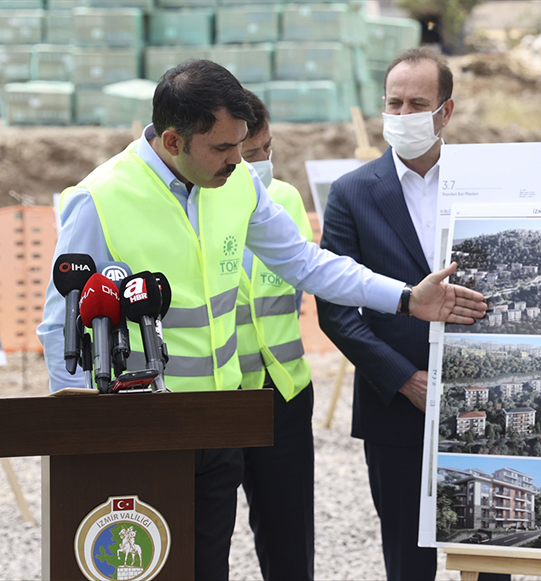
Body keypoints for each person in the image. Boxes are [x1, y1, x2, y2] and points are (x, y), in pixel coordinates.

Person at [36, 59, 487, 580]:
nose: (237, 160)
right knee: (145, 568)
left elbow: (306, 263)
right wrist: (79, 438)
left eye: (242, 144)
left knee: (209, 568)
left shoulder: (236, 182)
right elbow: (61, 326)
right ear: (174, 141)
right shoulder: (101, 198)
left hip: (222, 422)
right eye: (223, 149)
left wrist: (407, 298)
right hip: (144, 427)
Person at [316, 47, 507, 581]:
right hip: (398, 407)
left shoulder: (486, 184)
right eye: (393, 103)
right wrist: (405, 380)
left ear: (445, 112)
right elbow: (335, 307)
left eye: (416, 103)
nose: (402, 116)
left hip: (485, 398)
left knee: (494, 549)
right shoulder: (353, 194)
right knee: (406, 555)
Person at [236, 89, 315, 580]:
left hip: (284, 389)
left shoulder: (285, 199)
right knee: (206, 531)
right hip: (218, 394)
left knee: (288, 536)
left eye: (267, 148)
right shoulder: (191, 209)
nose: (262, 161)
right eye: (248, 155)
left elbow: (304, 284)